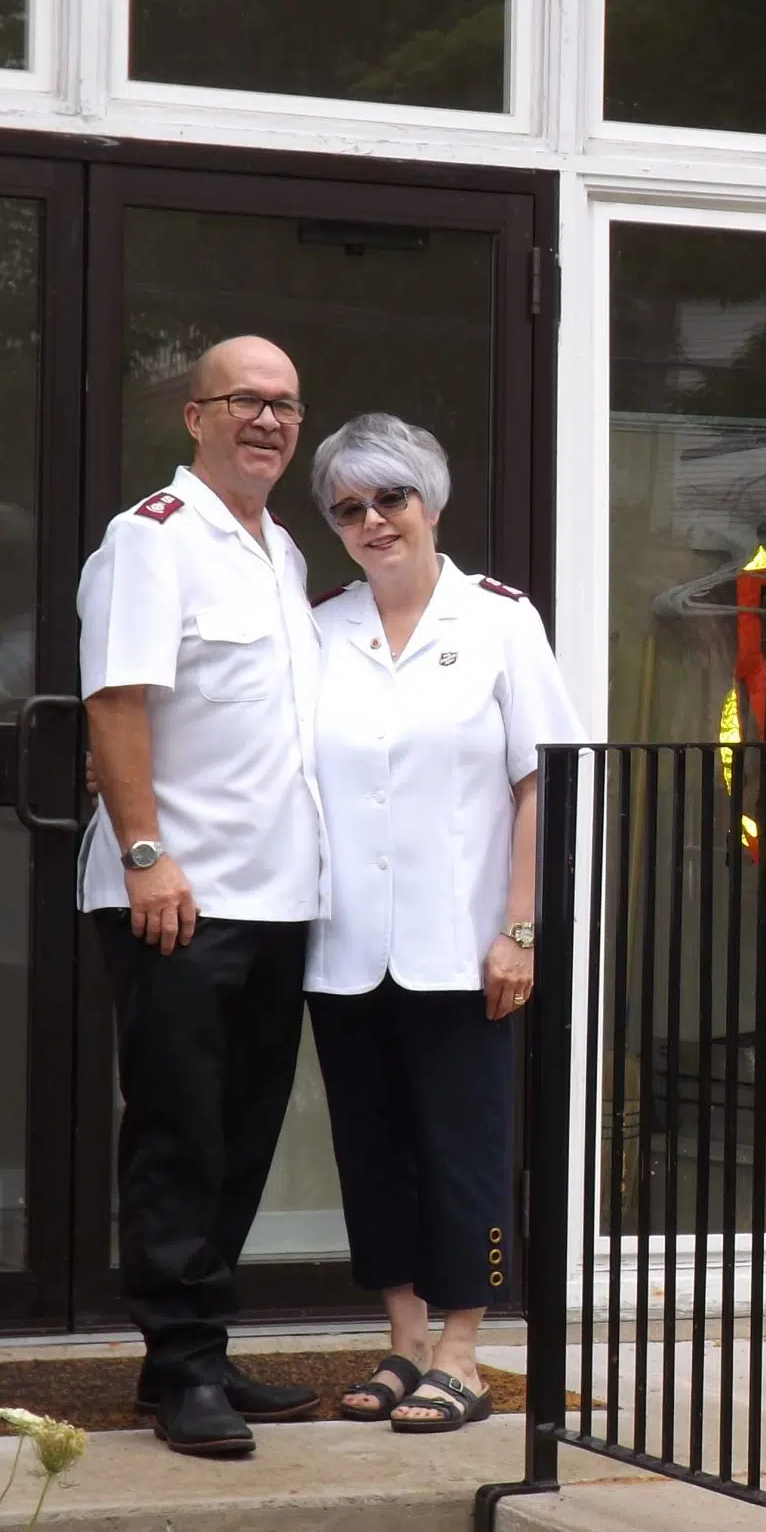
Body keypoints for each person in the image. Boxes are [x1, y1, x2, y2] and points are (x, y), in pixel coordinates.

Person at [302, 413, 583, 1432]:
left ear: (430, 503)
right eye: (349, 507)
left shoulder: (500, 621)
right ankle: (404, 1339)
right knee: (370, 1145)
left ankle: (464, 1347)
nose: (373, 521)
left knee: (461, 1143)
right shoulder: (320, 626)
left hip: (462, 944)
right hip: (343, 944)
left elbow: (541, 784)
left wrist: (521, 929)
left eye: (391, 498)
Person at [78, 335, 329, 1458]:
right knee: (179, 1132)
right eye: (244, 401)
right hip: (176, 890)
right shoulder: (152, 540)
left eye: (283, 404)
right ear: (195, 416)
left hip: (277, 897)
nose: (267, 421)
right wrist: (144, 854)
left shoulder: (280, 552)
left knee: (240, 1134)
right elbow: (116, 704)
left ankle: (196, 1356)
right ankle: (183, 1368)